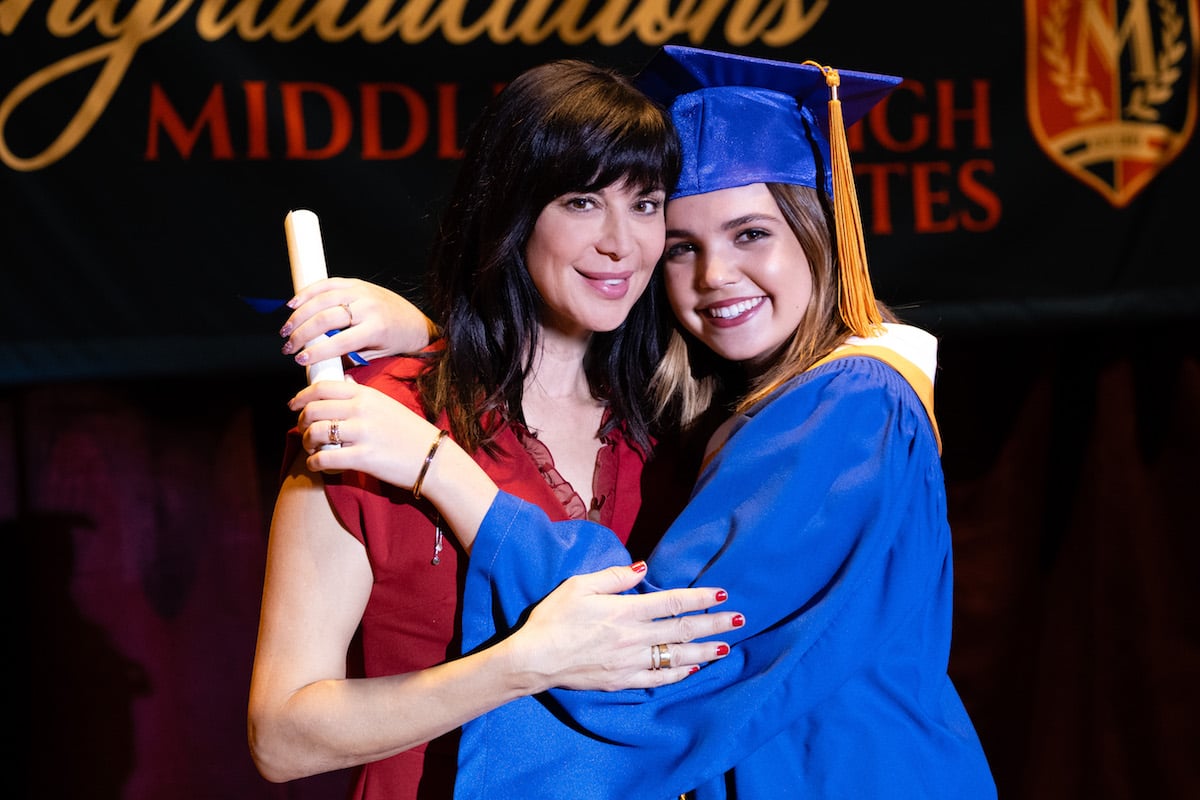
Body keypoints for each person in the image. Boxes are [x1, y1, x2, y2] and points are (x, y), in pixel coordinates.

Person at [294, 46, 997, 798]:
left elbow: (649, 642)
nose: (715, 276)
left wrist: (444, 472)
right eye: (684, 247)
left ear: (817, 231)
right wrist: (438, 339)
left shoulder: (853, 404)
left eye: (751, 233)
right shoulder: (711, 416)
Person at [247, 58, 745, 800]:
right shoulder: (379, 423)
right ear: (511, 213)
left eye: (645, 205)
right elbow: (281, 737)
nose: (621, 243)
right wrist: (521, 664)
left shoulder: (678, 431)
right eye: (581, 202)